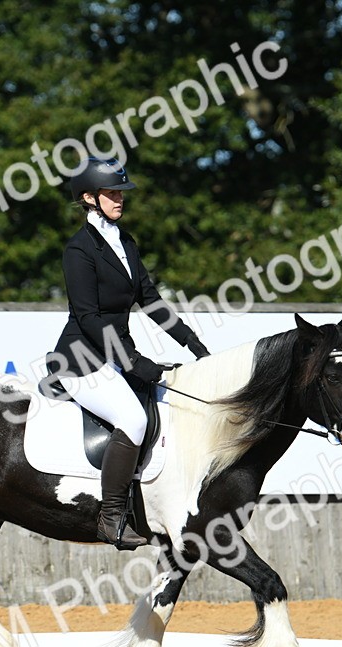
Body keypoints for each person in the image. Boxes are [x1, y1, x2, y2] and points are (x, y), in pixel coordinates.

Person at [47, 156, 210, 549]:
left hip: (116, 355)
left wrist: (194, 344)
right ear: (88, 197)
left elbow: (151, 301)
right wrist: (133, 363)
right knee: (134, 420)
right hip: (82, 359)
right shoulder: (78, 250)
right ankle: (111, 517)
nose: (120, 198)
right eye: (111, 192)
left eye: (121, 191)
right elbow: (88, 317)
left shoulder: (126, 242)